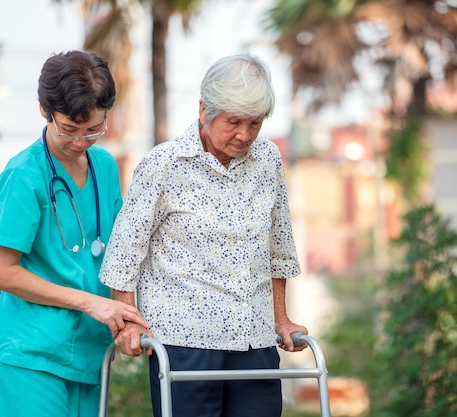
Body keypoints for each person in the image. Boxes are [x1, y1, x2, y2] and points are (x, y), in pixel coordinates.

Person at [99, 52, 307, 417]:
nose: (245, 135)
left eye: (255, 123)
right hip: (185, 344)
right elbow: (124, 253)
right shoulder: (164, 164)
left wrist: (281, 319)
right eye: (234, 122)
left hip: (254, 339)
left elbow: (278, 246)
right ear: (203, 110)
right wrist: (129, 323)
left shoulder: (269, 160)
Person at [0, 50, 149, 417]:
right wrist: (91, 302)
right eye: (69, 129)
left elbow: (118, 254)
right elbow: (0, 272)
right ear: (45, 110)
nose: (80, 141)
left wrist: (127, 315)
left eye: (93, 129)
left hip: (89, 356)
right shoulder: (24, 175)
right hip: (32, 357)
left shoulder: (105, 166)